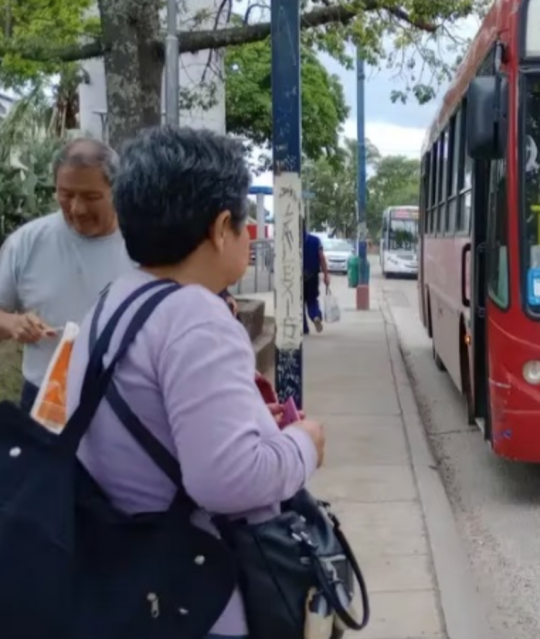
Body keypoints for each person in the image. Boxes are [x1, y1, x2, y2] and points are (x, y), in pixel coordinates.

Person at [65, 126, 326, 639]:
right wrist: (304, 444)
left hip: (119, 571)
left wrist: (249, 424)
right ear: (221, 226)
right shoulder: (198, 318)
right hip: (194, 597)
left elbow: (152, 423)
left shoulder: (115, 300)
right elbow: (226, 481)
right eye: (245, 223)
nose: (248, 235)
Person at [0, 138, 135, 411]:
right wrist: (14, 323)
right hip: (45, 399)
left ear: (117, 190)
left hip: (121, 403)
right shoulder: (27, 242)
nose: (77, 208)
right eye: (66, 194)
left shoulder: (144, 243)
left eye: (91, 197)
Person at [302, 224, 330, 334]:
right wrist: (326, 274)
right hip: (312, 275)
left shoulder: (293, 241)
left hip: (298, 276)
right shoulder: (316, 240)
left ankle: (304, 328)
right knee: (312, 300)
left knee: (300, 303)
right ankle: (315, 316)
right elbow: (321, 257)